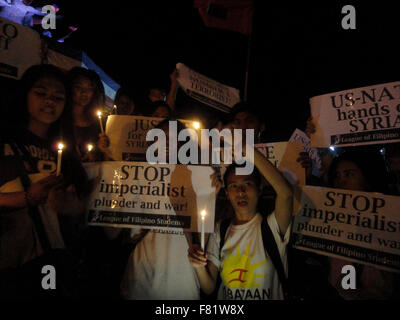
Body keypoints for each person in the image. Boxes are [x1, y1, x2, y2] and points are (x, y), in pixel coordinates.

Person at [0, 64, 89, 297]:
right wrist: (26, 198)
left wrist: (70, 206)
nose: (49, 101)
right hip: (8, 260)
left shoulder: (66, 153)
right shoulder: (5, 141)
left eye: (58, 97)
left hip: (50, 259)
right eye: (41, 93)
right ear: (25, 94)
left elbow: (80, 208)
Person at [119, 119, 211, 300]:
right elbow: (125, 232)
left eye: (173, 138)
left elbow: (204, 228)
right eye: (160, 137)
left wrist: (213, 189)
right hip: (143, 269)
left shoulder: (200, 176)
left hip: (182, 272)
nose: (166, 142)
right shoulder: (137, 177)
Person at [187, 146, 293, 300]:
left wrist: (248, 149)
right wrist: (198, 265)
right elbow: (208, 287)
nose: (241, 192)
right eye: (233, 186)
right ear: (227, 193)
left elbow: (286, 194)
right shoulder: (220, 230)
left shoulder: (271, 227)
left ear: (259, 188)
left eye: (248, 184)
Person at [326, 150, 398, 299]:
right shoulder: (331, 222)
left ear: (367, 180)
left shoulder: (391, 219)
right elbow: (343, 280)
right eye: (337, 176)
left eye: (349, 174)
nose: (341, 181)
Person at [67, 67, 106, 162]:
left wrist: (103, 150)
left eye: (90, 88)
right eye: (78, 87)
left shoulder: (99, 123)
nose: (84, 92)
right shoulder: (60, 118)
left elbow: (105, 157)